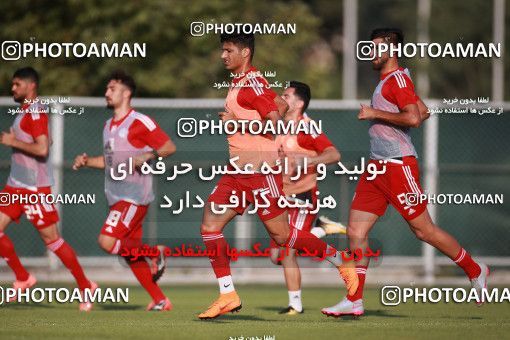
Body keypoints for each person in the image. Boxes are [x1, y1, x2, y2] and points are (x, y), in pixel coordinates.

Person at [322, 28, 489, 317]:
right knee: (356, 231)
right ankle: (354, 299)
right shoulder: (392, 80)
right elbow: (422, 110)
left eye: (376, 48)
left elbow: (414, 118)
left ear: (392, 49)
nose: (371, 53)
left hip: (398, 165)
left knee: (424, 231)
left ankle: (476, 270)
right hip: (376, 167)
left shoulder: (397, 79)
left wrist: (375, 114)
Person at [198, 33, 358, 320]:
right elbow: (279, 108)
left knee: (283, 238)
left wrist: (237, 122)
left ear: (245, 52)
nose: (223, 55)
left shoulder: (251, 84)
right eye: (222, 50)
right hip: (237, 171)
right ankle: (227, 294)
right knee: (210, 226)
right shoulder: (246, 82)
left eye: (228, 50)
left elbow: (272, 124)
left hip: (260, 172)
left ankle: (341, 262)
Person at [72, 70, 176, 311]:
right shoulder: (108, 125)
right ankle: (161, 300)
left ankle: (155, 252)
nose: (106, 93)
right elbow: (111, 163)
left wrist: (147, 155)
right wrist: (87, 161)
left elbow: (169, 147)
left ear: (126, 93)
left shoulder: (139, 121)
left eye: (112, 89)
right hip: (116, 197)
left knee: (107, 241)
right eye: (107, 89)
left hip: (133, 197)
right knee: (131, 254)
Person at [0, 67, 96, 311]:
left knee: (52, 240)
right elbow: (47, 140)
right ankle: (23, 278)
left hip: (34, 188)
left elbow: (42, 149)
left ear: (31, 86)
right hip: (16, 186)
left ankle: (85, 285)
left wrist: (13, 141)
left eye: (17, 84)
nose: (13, 89)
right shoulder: (27, 111)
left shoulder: (34, 111)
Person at [269, 81, 346, 315]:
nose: (281, 98)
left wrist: (310, 161)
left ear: (299, 103)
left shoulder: (308, 128)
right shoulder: (281, 126)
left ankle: (295, 305)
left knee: (289, 250)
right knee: (276, 255)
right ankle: (321, 229)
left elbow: (334, 154)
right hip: (282, 198)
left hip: (303, 197)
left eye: (286, 95)